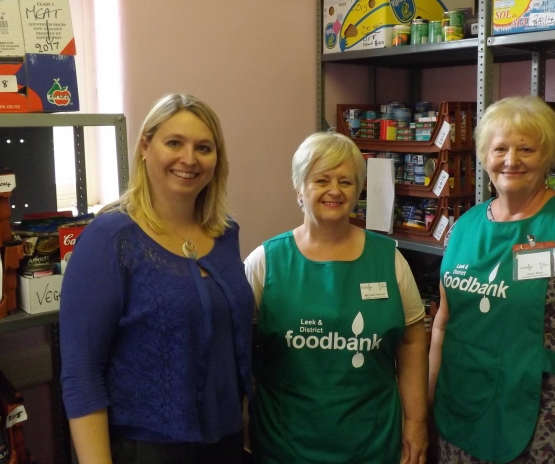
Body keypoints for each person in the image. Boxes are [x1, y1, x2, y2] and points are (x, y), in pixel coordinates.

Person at [429, 95, 555, 464]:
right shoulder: (464, 227)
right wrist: (426, 409)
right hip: (463, 419)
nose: (511, 161)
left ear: (548, 156)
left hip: (550, 430)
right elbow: (444, 326)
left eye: (526, 149)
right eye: (500, 149)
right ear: (483, 156)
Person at [60, 94, 254, 464]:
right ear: (146, 147)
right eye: (174, 143)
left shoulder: (225, 233)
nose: (189, 159)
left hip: (226, 443)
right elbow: (82, 373)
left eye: (204, 148)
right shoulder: (111, 239)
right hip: (145, 449)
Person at [244, 132, 429, 464]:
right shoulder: (264, 263)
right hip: (285, 443)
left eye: (346, 181)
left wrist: (416, 422)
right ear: (299, 188)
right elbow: (239, 351)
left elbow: (413, 342)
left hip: (373, 442)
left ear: (357, 190)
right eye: (321, 179)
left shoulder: (389, 260)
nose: (334, 190)